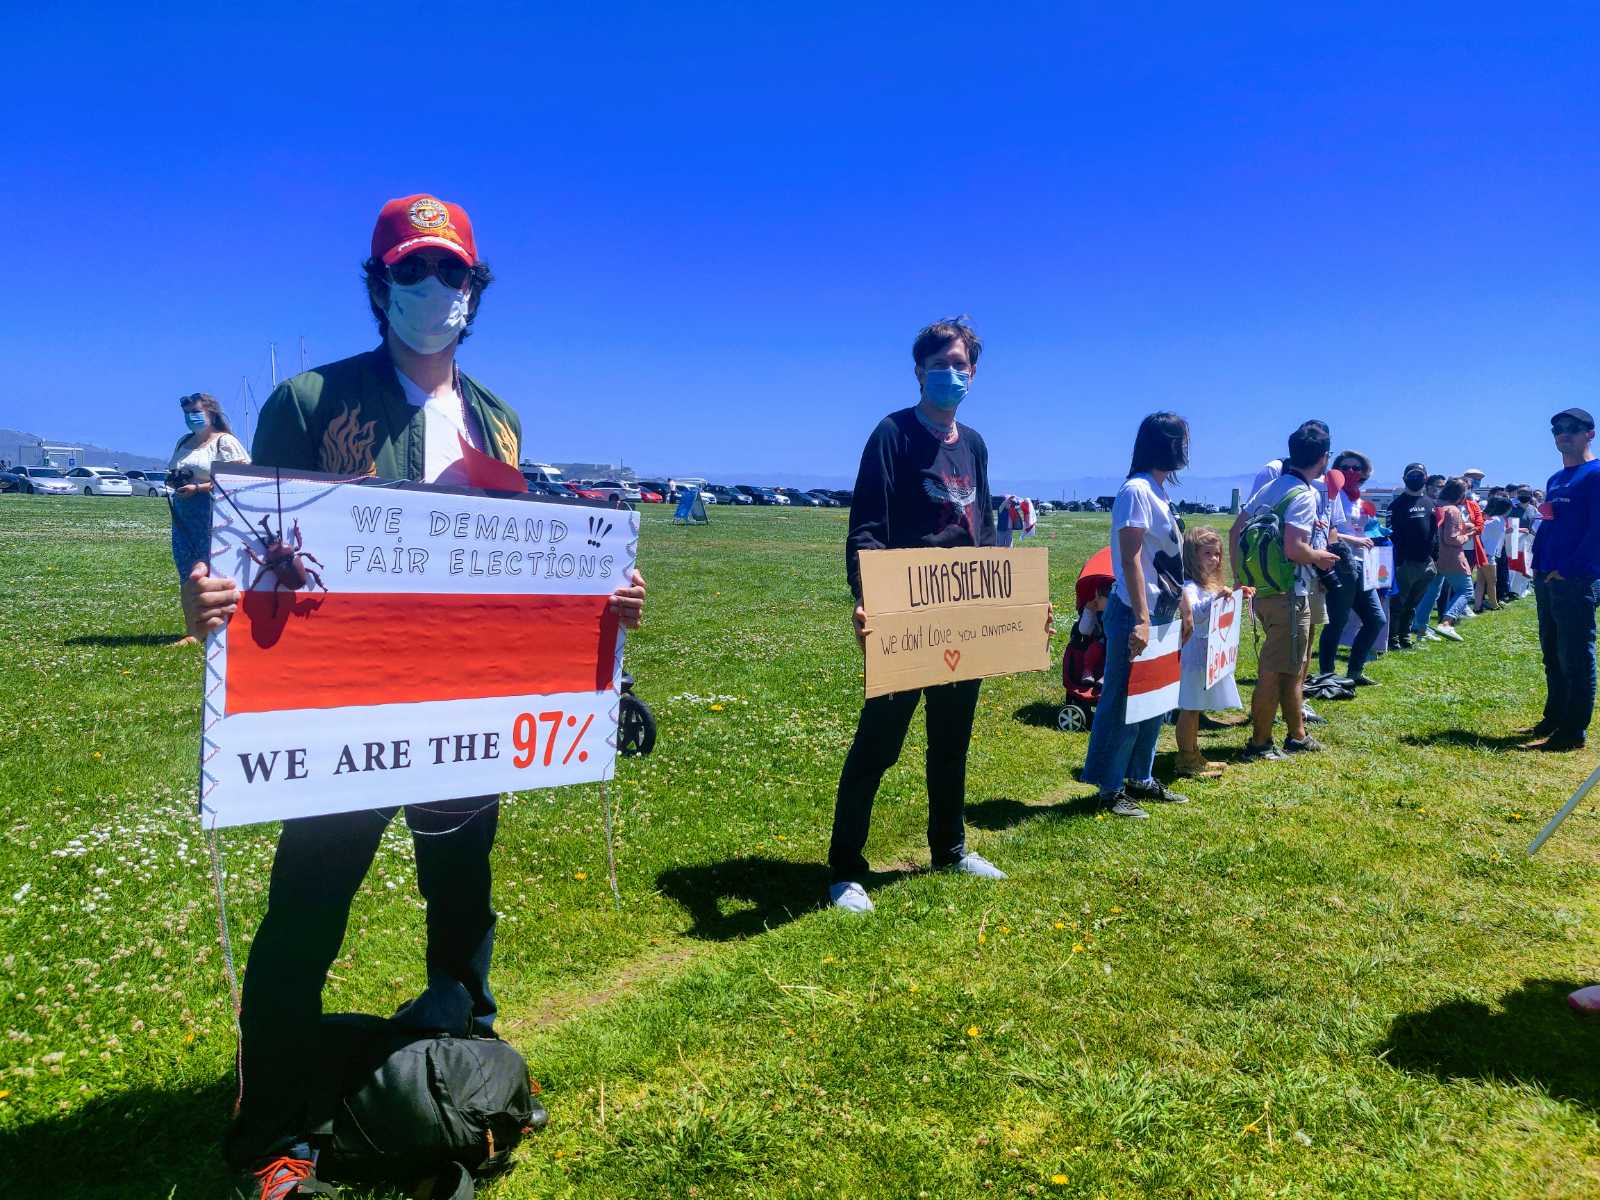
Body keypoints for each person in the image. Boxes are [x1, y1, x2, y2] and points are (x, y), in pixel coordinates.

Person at [181, 194, 648, 1199]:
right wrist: (211, 594)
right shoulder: (310, 400)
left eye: (451, 274)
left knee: (462, 898)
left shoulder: (497, 419)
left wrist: (599, 602)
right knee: (307, 909)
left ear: (476, 290)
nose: (433, 291)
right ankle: (273, 1126)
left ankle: (463, 1068)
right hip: (343, 708)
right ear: (378, 284)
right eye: (411, 271)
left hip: (466, 717)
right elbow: (252, 542)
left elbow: (519, 568)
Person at [830, 318, 1015, 913]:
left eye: (961, 365)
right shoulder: (892, 435)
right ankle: (845, 867)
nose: (951, 374)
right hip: (906, 613)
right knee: (880, 743)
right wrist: (867, 597)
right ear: (919, 372)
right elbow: (867, 525)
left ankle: (951, 847)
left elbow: (983, 529)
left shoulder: (976, 446)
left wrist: (1010, 604)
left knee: (952, 740)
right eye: (940, 365)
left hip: (966, 611)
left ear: (975, 373)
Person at [1080, 412, 1194, 818]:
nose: (1186, 448)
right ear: (1162, 444)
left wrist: (1181, 607)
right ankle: (1109, 788)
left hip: (1162, 614)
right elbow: (1128, 559)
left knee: (1154, 702)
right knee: (1124, 703)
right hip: (1134, 613)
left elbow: (1168, 561)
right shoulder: (1136, 491)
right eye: (1181, 439)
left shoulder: (1160, 492)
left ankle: (1140, 777)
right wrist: (1143, 618)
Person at [1229, 420, 1338, 761]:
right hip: (1289, 593)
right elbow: (1295, 548)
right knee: (1274, 671)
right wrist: (1322, 557)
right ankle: (1260, 742)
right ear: (1323, 458)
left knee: (1293, 665)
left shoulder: (1271, 488)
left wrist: (1242, 577)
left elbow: (1235, 532)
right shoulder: (1304, 495)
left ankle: (1297, 734)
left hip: (1264, 591)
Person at [1528, 407, 1600, 753]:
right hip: (1547, 577)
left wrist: (1570, 569)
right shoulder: (1555, 480)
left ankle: (1572, 731)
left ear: (1590, 433)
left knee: (1575, 654)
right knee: (1552, 652)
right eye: (1557, 428)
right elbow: (1550, 524)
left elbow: (1597, 532)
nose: (1563, 434)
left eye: (1572, 428)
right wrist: (1538, 564)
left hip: (1575, 579)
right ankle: (1554, 716)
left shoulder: (1596, 473)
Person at [167, 392, 250, 646]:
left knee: (210, 568)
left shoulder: (225, 442)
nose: (191, 418)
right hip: (183, 513)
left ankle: (220, 626)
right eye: (186, 414)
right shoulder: (185, 441)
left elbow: (239, 478)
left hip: (214, 512)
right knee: (185, 567)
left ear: (210, 414)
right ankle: (193, 630)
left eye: (195, 413)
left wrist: (199, 488)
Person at [1174, 526, 1244, 778]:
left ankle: (1194, 753)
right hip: (1193, 656)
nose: (1214, 559)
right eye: (1207, 554)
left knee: (1196, 707)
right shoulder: (1189, 586)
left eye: (1217, 554)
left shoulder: (1208, 585)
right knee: (1189, 707)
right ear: (1193, 556)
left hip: (1206, 654)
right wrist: (1215, 600)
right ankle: (1186, 758)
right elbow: (1194, 614)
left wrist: (1235, 597)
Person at [1318, 451, 1385, 684]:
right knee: (1337, 621)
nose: (1351, 472)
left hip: (1364, 564)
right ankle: (1327, 673)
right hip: (1341, 564)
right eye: (1345, 467)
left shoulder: (1361, 501)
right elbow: (1326, 530)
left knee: (1376, 619)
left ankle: (1355, 671)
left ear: (1364, 472)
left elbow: (1368, 530)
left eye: (1357, 468)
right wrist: (1353, 540)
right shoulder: (1331, 494)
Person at [1430, 477, 1473, 642]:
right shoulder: (1453, 510)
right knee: (1466, 590)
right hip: (1452, 557)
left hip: (1436, 556)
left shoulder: (1436, 505)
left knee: (1432, 593)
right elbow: (1452, 538)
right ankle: (1447, 622)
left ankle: (1419, 625)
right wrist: (1468, 535)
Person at [1477, 496, 1508, 611]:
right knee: (1492, 581)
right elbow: (1482, 528)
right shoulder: (1497, 520)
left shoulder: (1495, 519)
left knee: (1481, 581)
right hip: (1489, 554)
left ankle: (1477, 605)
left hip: (1484, 552)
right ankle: (1494, 605)